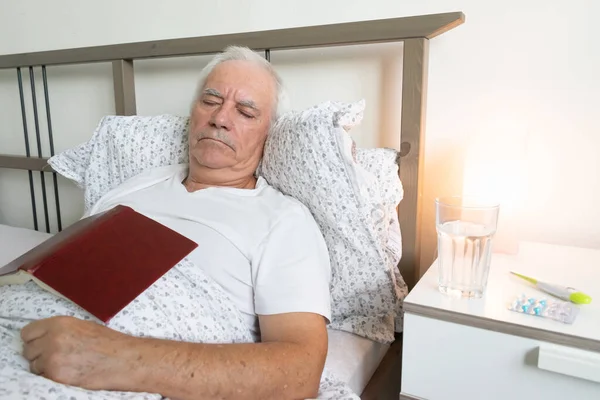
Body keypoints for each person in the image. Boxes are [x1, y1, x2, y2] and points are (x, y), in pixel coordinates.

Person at [19, 46, 332, 400]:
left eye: (245, 111)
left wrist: (117, 357)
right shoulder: (134, 185)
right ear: (193, 112)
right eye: (210, 101)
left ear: (268, 135)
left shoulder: (283, 219)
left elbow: (301, 368)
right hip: (29, 332)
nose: (220, 118)